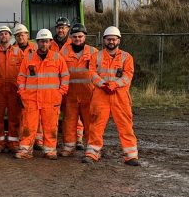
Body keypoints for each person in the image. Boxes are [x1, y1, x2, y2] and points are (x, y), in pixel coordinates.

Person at [84, 26, 140, 166]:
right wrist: (103, 84)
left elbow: (128, 75)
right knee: (96, 125)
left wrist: (115, 85)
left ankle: (131, 156)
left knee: (125, 126)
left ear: (118, 40)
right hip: (100, 95)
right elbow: (91, 73)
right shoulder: (96, 56)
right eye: (108, 39)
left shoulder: (127, 57)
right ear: (104, 40)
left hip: (120, 96)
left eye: (113, 39)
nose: (111, 41)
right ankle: (92, 153)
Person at [15, 29, 69, 160]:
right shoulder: (28, 58)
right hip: (31, 99)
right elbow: (21, 77)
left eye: (46, 41)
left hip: (51, 99)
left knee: (50, 126)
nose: (43, 44)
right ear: (37, 42)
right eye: (41, 42)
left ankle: (50, 150)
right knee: (28, 125)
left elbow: (65, 77)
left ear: (50, 42)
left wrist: (60, 93)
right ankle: (25, 150)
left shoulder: (57, 58)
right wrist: (22, 93)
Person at [59, 23, 97, 157]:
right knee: (69, 121)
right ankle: (69, 147)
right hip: (70, 95)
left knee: (90, 123)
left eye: (80, 36)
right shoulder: (63, 52)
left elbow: (100, 73)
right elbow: (58, 72)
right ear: (71, 37)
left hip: (89, 94)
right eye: (74, 36)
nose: (77, 39)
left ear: (85, 36)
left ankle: (92, 149)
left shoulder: (93, 52)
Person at [0, 25, 23, 153]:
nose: (4, 36)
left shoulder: (18, 52)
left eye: (6, 34)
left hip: (14, 90)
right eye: (1, 34)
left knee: (15, 117)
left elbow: (23, 72)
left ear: (10, 36)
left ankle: (13, 143)